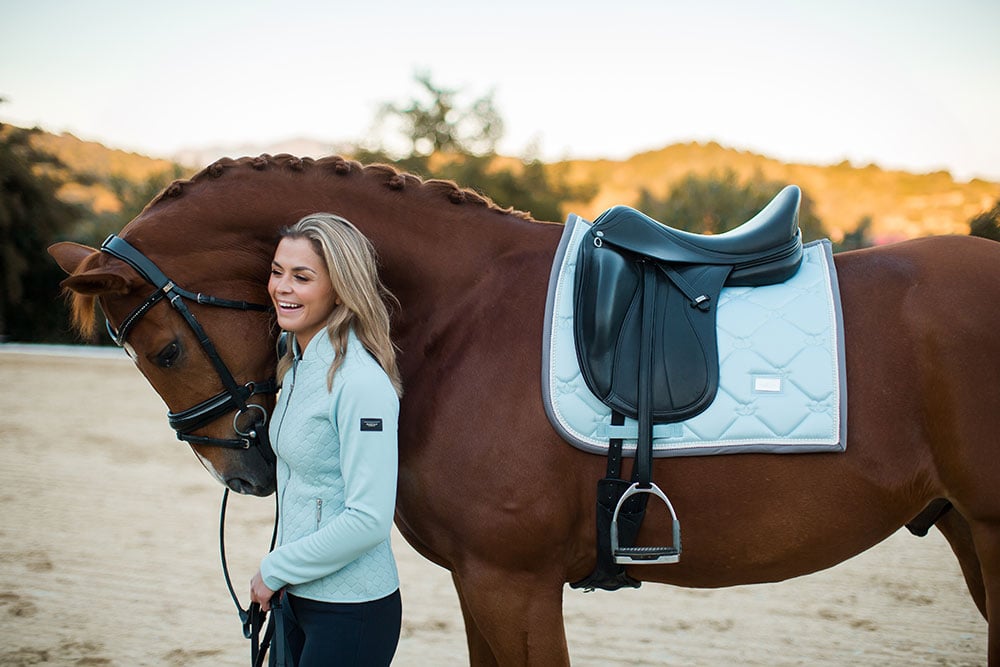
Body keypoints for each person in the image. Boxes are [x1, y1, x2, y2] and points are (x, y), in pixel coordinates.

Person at [249, 213, 404, 666]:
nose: (282, 287)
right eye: (277, 272)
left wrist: (275, 568)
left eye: (302, 277)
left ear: (339, 289)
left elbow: (369, 519)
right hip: (295, 599)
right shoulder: (297, 365)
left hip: (350, 612)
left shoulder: (360, 383)